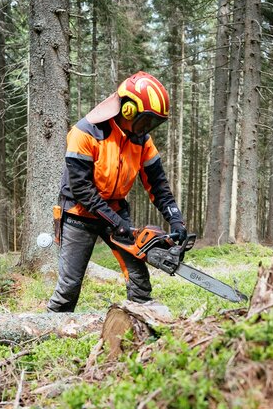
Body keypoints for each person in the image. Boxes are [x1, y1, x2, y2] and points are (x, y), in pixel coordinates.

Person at [47, 71, 186, 313]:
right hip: (80, 213)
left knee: (138, 276)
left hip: (115, 211)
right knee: (69, 285)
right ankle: (48, 326)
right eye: (145, 121)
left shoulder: (141, 141)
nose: (146, 129)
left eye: (152, 124)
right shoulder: (85, 133)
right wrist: (116, 222)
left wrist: (175, 218)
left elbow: (158, 184)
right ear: (128, 110)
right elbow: (81, 189)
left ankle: (142, 316)